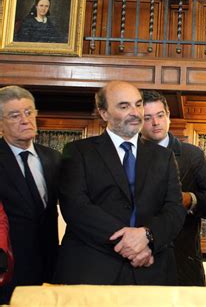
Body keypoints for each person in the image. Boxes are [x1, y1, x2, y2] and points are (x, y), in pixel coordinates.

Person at [54, 81, 186, 285]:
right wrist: (130, 244)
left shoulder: (164, 157)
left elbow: (174, 209)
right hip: (93, 269)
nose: (135, 112)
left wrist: (147, 237)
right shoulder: (78, 152)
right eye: (124, 106)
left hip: (151, 269)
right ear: (104, 112)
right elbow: (76, 207)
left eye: (138, 104)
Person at [141, 90, 206, 286]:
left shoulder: (193, 155)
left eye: (160, 115)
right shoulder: (128, 156)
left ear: (168, 116)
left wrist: (189, 199)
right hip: (139, 262)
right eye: (148, 118)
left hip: (182, 261)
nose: (156, 123)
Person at [0, 85, 60, 303]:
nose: (25, 120)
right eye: (15, 115)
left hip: (50, 269)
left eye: (29, 112)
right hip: (9, 270)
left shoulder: (54, 159)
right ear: (0, 124)